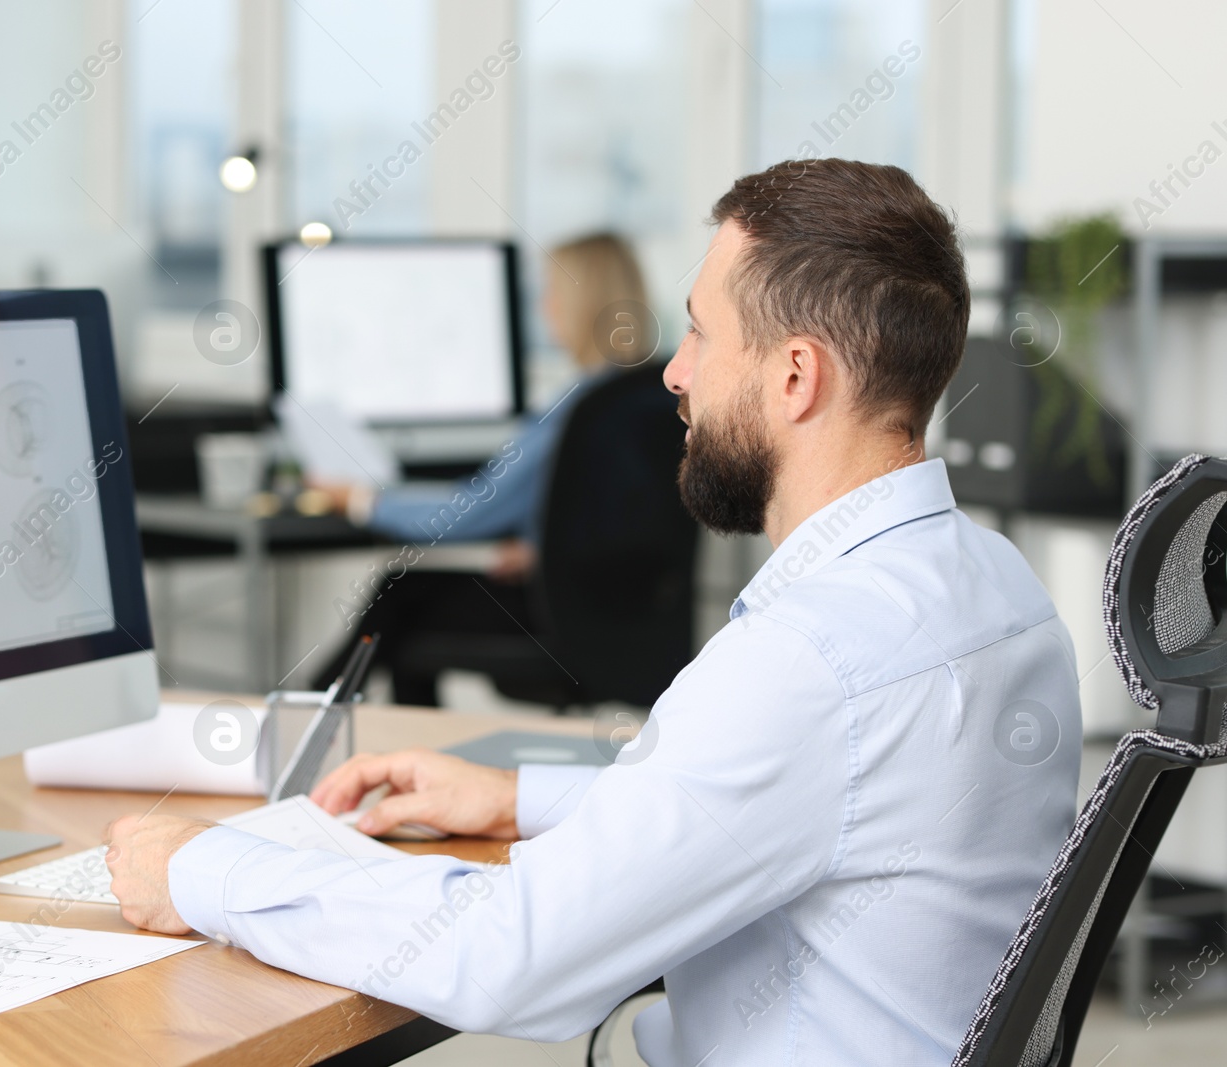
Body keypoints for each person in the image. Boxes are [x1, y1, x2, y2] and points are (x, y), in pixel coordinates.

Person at [104, 159, 1081, 1065]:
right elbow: (802, 804)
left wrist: (205, 870)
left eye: (701, 332)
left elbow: (509, 954)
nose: (673, 372)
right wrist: (515, 797)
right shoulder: (996, 587)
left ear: (795, 375)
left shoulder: (807, 660)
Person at [311, 232, 653, 706]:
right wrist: (544, 548)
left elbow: (467, 513)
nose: (543, 307)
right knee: (407, 609)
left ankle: (311, 710)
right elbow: (627, 522)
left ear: (579, 302)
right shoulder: (649, 398)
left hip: (557, 616)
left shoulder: (579, 409)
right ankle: (321, 710)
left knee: (401, 595)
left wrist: (363, 500)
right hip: (622, 612)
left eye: (551, 293)